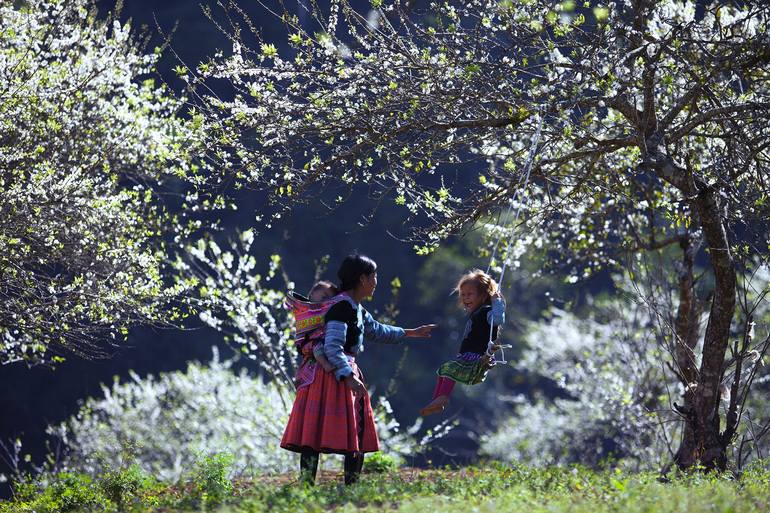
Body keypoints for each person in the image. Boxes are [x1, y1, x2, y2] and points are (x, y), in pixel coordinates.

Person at [281, 254, 437, 485]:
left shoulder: (355, 308)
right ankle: (318, 488)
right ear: (363, 279)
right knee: (341, 433)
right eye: (374, 276)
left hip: (336, 373)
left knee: (342, 433)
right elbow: (333, 348)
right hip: (332, 375)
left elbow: (377, 330)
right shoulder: (342, 308)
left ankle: (342, 488)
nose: (376, 281)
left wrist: (411, 332)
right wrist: (349, 376)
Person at [419, 269, 506, 417]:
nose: (465, 298)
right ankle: (438, 400)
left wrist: (496, 301)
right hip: (467, 358)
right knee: (443, 370)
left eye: (470, 294)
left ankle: (442, 399)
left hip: (478, 359)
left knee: (449, 369)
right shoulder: (476, 313)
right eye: (463, 295)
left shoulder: (486, 311)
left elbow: (498, 319)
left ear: (483, 295)